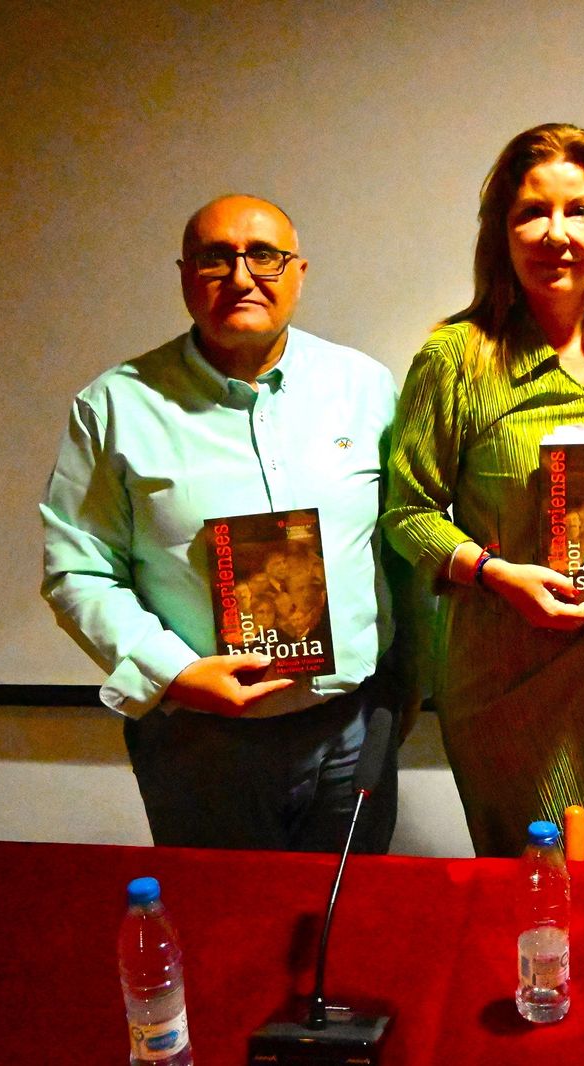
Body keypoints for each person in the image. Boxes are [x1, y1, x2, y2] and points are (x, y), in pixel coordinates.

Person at [41, 194, 406, 852]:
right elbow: (78, 569)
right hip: (200, 745)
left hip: (351, 732)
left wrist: (409, 685)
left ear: (299, 272)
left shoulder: (367, 387)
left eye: (264, 256)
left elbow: (404, 538)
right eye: (216, 259)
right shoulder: (115, 406)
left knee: (349, 926)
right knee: (226, 934)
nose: (242, 277)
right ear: (185, 275)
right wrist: (173, 672)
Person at [382, 123, 584, 857]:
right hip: (509, 682)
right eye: (532, 212)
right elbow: (408, 513)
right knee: (535, 894)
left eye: (579, 210)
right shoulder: (456, 357)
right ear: (502, 232)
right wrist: (493, 572)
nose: (556, 234)